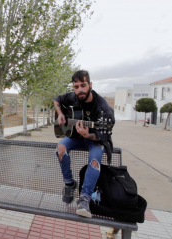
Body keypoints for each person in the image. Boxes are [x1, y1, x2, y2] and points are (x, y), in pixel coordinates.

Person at [54, 70, 115, 218]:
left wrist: (88, 135)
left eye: (83, 85)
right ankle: (69, 184)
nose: (79, 90)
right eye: (76, 86)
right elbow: (57, 99)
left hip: (95, 139)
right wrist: (61, 113)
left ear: (90, 85)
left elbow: (105, 133)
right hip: (76, 136)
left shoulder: (103, 107)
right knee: (60, 148)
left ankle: (85, 198)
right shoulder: (73, 97)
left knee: (94, 161)